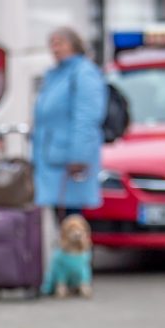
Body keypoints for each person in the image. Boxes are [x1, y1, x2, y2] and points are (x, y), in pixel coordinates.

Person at [32, 27, 107, 222]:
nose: (55, 49)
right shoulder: (54, 74)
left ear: (74, 45)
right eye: (52, 44)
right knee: (62, 221)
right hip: (53, 160)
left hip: (70, 165)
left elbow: (87, 117)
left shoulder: (83, 73)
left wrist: (79, 157)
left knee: (73, 224)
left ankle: (78, 254)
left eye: (60, 43)